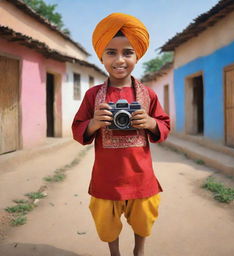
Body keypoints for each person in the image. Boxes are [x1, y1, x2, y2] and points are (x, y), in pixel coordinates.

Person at [72, 13, 170, 256]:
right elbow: (78, 128)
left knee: (144, 219)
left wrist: (149, 122)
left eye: (127, 52)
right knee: (106, 223)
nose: (119, 60)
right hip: (107, 179)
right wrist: (94, 123)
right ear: (101, 57)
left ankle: (139, 251)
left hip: (141, 177)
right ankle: (114, 253)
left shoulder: (148, 94)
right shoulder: (93, 95)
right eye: (111, 52)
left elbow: (164, 125)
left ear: (137, 56)